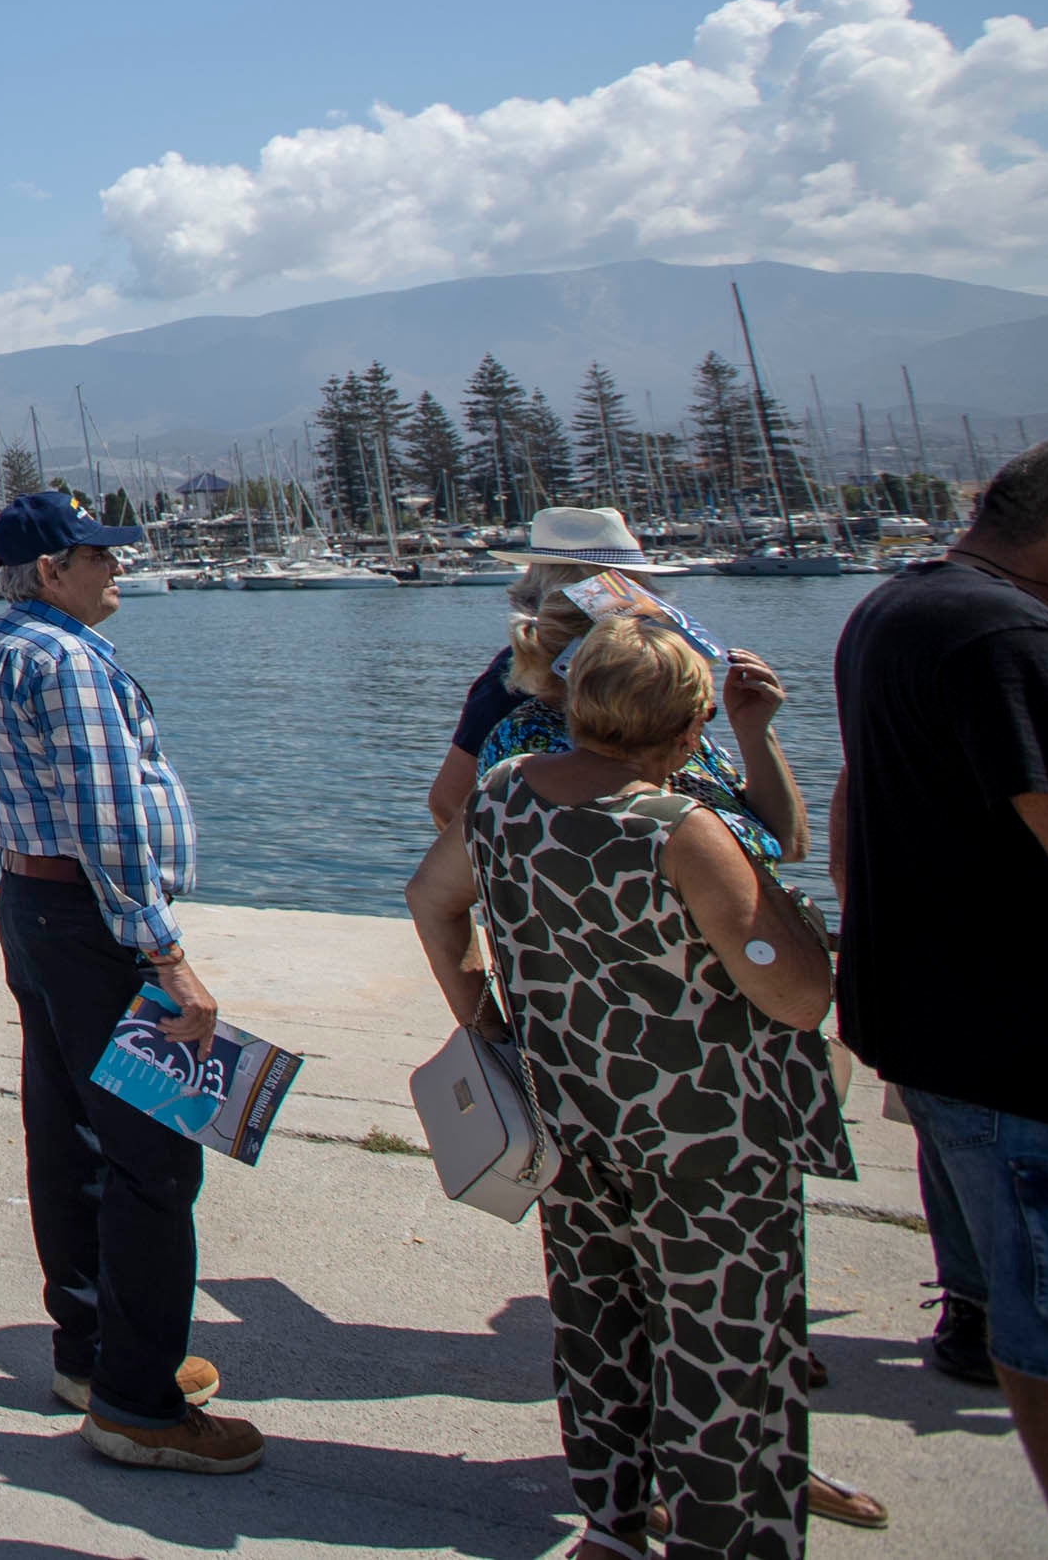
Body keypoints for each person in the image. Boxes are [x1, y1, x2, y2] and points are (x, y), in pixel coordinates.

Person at [410, 618, 843, 1560]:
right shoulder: (680, 829)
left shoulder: (503, 795)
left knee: (599, 1328)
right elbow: (796, 995)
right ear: (688, 734)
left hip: (572, 1118)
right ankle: (724, 1540)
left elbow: (431, 900)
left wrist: (485, 1016)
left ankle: (611, 1525)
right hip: (709, 1140)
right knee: (728, 1355)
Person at [0, 489, 259, 1475]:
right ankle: (137, 1401)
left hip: (33, 906)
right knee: (156, 1157)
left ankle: (90, 1353)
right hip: (97, 922)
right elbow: (106, 819)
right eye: (99, 555)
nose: (116, 568)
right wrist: (164, 955)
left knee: (70, 1135)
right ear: (51, 569)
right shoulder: (66, 659)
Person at [833, 435, 1048, 1552]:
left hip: (938, 1024)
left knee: (1030, 1308)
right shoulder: (1006, 634)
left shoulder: (896, 608)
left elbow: (846, 807)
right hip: (1022, 1039)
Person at [428, 511, 807, 867]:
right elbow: (449, 803)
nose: (652, 608)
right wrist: (525, 892)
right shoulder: (512, 687)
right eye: (634, 594)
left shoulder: (653, 675)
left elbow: (787, 845)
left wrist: (754, 731)